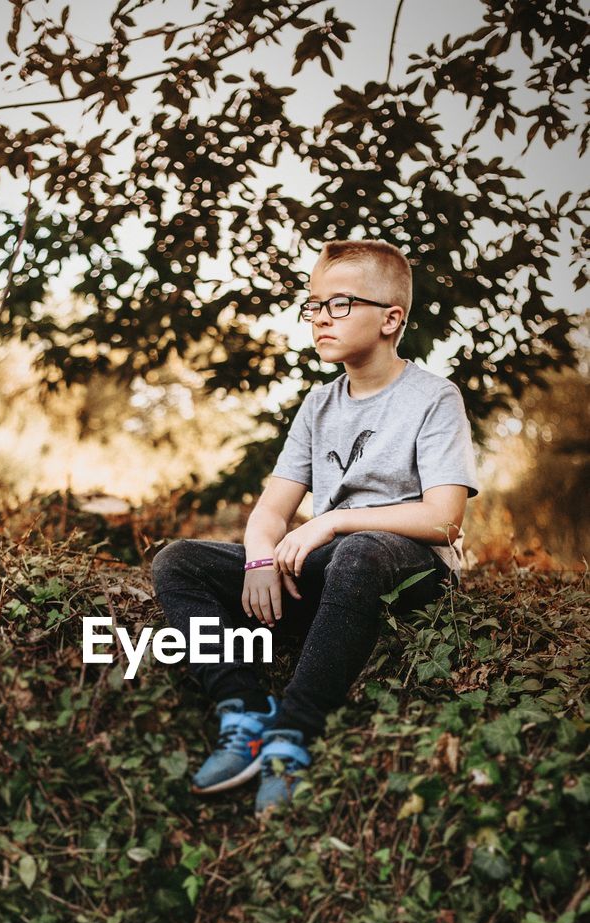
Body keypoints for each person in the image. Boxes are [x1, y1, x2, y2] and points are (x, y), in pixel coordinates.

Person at [150, 238, 479, 816]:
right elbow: (271, 513)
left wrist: (333, 521)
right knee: (178, 560)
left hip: (405, 570)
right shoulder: (318, 403)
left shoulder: (433, 398)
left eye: (341, 303)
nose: (320, 318)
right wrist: (258, 558)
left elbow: (446, 520)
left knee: (358, 550)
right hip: (333, 572)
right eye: (313, 304)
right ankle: (245, 714)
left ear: (391, 318)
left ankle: (291, 738)